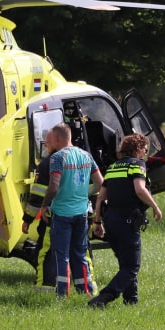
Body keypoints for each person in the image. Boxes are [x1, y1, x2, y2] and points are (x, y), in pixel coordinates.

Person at [89, 133, 163, 308]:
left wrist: (98, 222)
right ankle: (103, 298)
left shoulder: (113, 167)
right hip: (127, 221)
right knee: (132, 266)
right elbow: (139, 189)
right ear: (137, 148)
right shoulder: (138, 165)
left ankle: (131, 301)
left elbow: (100, 198)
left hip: (110, 220)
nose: (146, 153)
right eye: (145, 149)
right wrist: (155, 206)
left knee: (125, 264)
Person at [40, 123, 103, 297]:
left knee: (62, 255)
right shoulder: (86, 155)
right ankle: (85, 292)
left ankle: (63, 294)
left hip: (61, 213)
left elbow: (53, 186)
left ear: (58, 138)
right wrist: (83, 191)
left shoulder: (58, 158)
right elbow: (100, 183)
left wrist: (45, 205)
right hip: (82, 213)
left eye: (51, 139)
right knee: (80, 254)